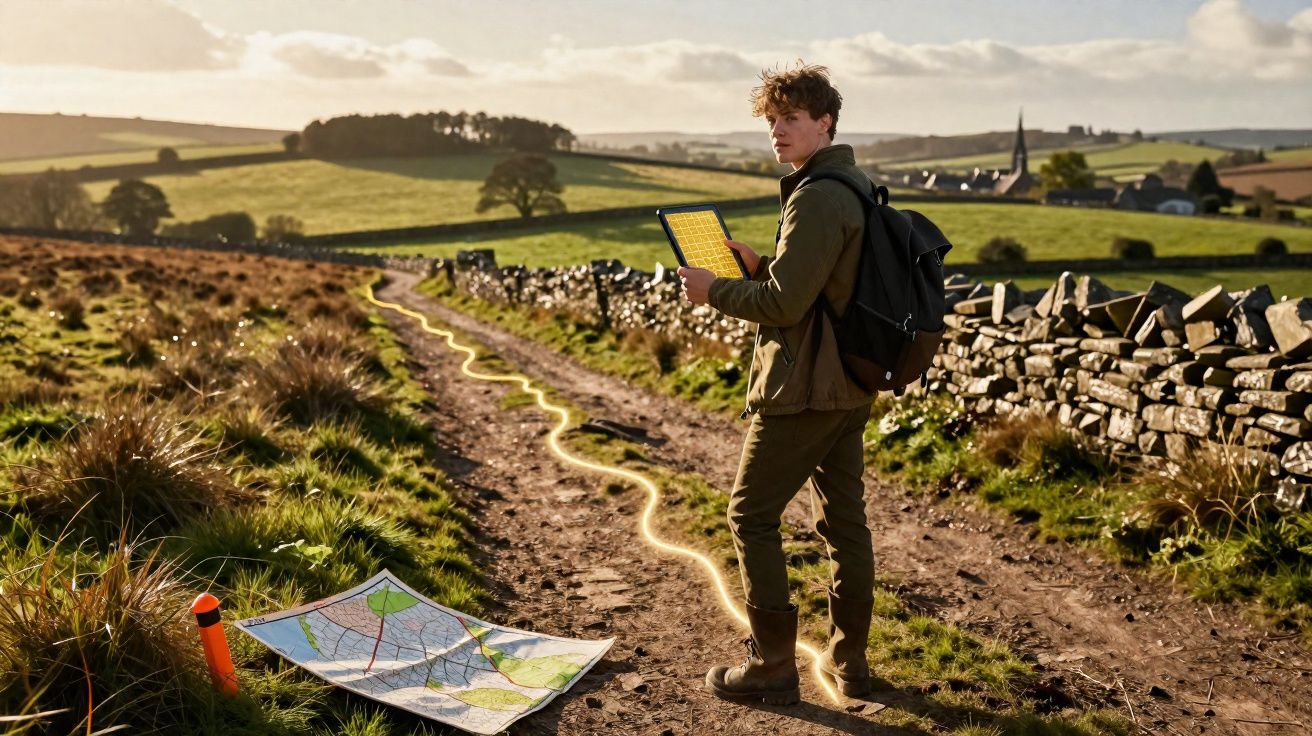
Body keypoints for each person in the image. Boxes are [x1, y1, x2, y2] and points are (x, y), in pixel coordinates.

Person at [677, 63, 877, 705]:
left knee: (750, 513)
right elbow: (821, 285)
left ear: (825, 122)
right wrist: (760, 266)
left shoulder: (819, 194)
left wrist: (716, 290)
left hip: (806, 388)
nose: (777, 131)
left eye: (791, 118)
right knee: (844, 523)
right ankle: (853, 666)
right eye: (771, 120)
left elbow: (787, 307)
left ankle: (772, 668)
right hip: (846, 384)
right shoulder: (848, 184)